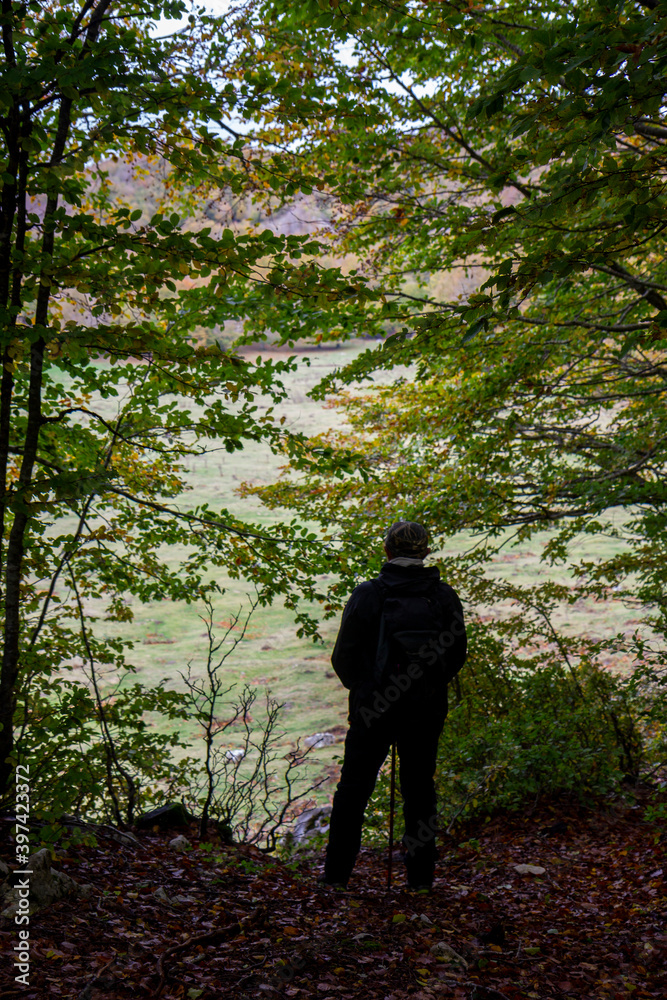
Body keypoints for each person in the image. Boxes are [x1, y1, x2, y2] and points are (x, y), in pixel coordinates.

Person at [321, 520, 467, 891]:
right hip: (425, 710)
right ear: (426, 552)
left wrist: (369, 691)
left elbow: (344, 657)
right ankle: (420, 881)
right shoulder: (444, 596)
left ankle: (336, 878)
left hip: (374, 710)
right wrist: (427, 689)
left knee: (353, 791)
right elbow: (456, 655)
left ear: (387, 551)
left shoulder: (368, 594)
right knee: (419, 791)